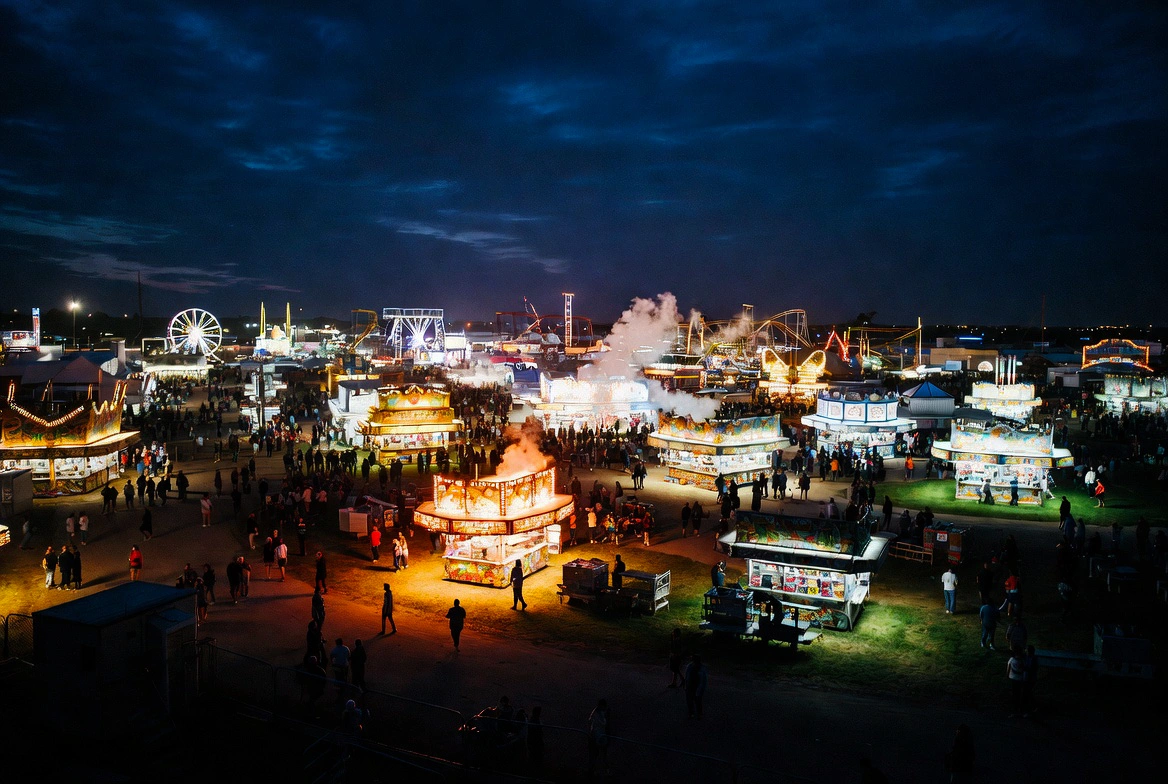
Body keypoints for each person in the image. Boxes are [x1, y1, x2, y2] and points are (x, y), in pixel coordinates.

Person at [586, 699, 609, 778]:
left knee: (596, 755)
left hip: (598, 737)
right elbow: (599, 726)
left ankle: (595, 771)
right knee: (596, 755)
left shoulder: (596, 714)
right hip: (596, 737)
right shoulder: (597, 715)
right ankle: (595, 771)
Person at [684, 654, 707, 719]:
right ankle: (691, 713)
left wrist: (701, 689)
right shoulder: (689, 666)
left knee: (698, 700)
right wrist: (686, 685)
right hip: (690, 685)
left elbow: (703, 680)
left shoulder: (702, 668)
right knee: (690, 700)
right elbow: (687, 676)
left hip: (697, 686)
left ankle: (699, 713)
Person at [1007, 647, 1026, 717]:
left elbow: (1008, 667)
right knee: (1018, 692)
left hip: (1013, 677)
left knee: (1015, 692)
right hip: (1019, 678)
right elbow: (1024, 668)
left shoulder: (1012, 659)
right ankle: (1019, 706)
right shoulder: (1022, 660)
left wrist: (1007, 675)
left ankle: (1015, 707)